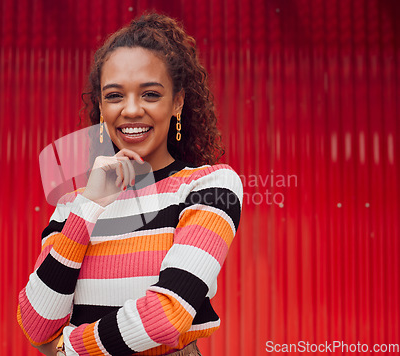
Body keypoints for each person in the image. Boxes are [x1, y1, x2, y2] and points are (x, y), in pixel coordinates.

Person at [17, 13, 243, 356]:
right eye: (114, 96)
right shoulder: (73, 206)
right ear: (101, 107)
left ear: (177, 102)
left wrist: (69, 350)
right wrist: (89, 205)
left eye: (150, 94)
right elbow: (37, 324)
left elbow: (166, 316)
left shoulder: (208, 187)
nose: (132, 110)